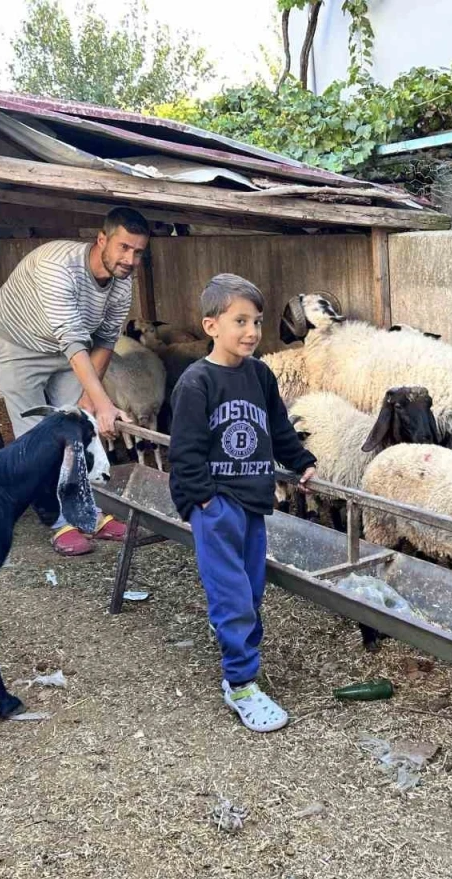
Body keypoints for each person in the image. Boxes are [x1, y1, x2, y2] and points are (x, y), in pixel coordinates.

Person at [168, 274, 317, 732]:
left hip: (254, 500)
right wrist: (205, 502)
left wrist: (300, 460)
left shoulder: (260, 376)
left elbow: (278, 427)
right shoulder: (196, 384)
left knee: (250, 591)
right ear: (211, 326)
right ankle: (241, 685)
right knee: (233, 597)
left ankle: (232, 639)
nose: (251, 331)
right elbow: (185, 453)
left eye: (256, 321)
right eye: (240, 321)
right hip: (216, 507)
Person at [0, 207, 149, 556]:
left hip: (68, 350)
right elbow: (71, 338)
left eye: (138, 252)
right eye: (123, 247)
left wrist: (91, 402)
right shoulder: (58, 267)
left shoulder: (122, 283)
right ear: (102, 240)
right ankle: (60, 522)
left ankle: (87, 513)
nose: (130, 259)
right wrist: (104, 403)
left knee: (75, 429)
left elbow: (105, 339)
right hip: (20, 345)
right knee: (36, 435)